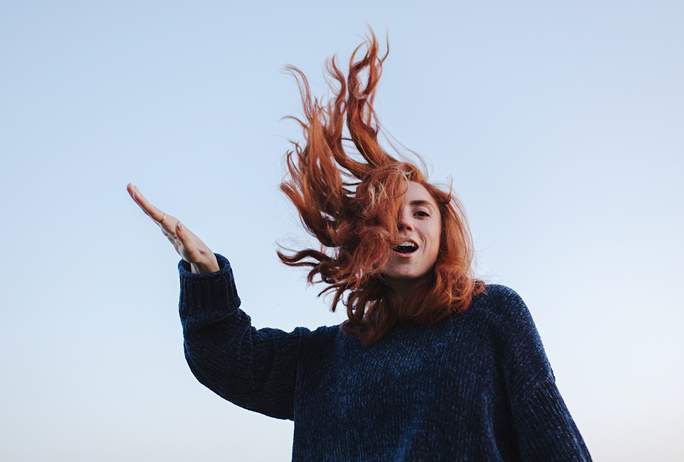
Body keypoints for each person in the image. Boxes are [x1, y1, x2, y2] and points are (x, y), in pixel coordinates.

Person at [127, 29, 592, 462]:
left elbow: (551, 437)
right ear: (364, 239)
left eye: (420, 213)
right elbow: (226, 359)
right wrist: (206, 274)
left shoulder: (492, 316)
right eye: (387, 217)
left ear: (442, 234)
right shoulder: (328, 356)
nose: (404, 226)